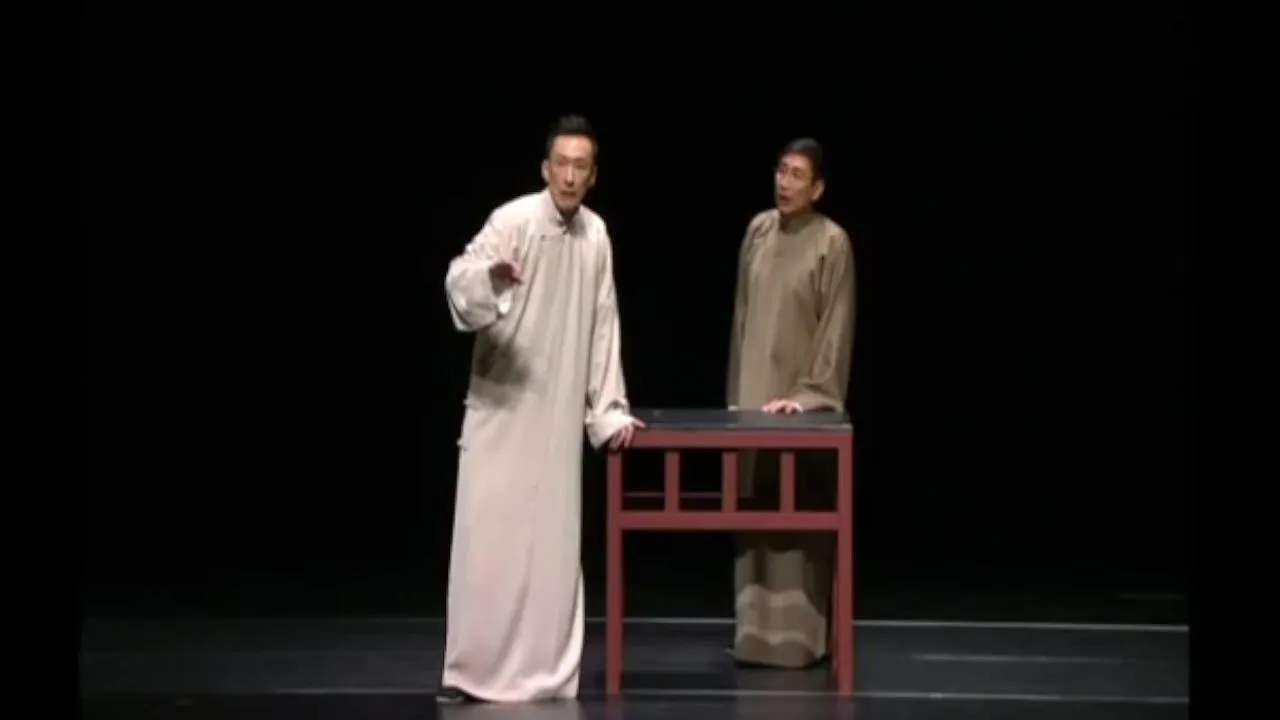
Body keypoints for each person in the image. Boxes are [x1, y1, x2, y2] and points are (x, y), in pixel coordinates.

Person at [438, 115, 644, 703]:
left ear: (593, 175)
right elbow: (458, 280)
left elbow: (603, 322)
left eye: (582, 166)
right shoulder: (513, 220)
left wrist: (607, 409)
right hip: (502, 410)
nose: (570, 177)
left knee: (548, 550)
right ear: (545, 168)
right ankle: (473, 673)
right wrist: (491, 278)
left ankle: (543, 672)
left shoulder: (596, 235)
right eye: (562, 164)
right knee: (488, 546)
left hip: (555, 417)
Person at [725, 137, 857, 669]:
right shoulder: (758, 231)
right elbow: (742, 319)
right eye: (781, 171)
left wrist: (808, 396)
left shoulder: (832, 243)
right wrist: (739, 397)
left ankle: (801, 640)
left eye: (797, 174)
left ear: (817, 187)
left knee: (798, 511)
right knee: (754, 509)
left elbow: (836, 329)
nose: (785, 183)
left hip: (799, 402)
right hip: (753, 395)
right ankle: (752, 634)